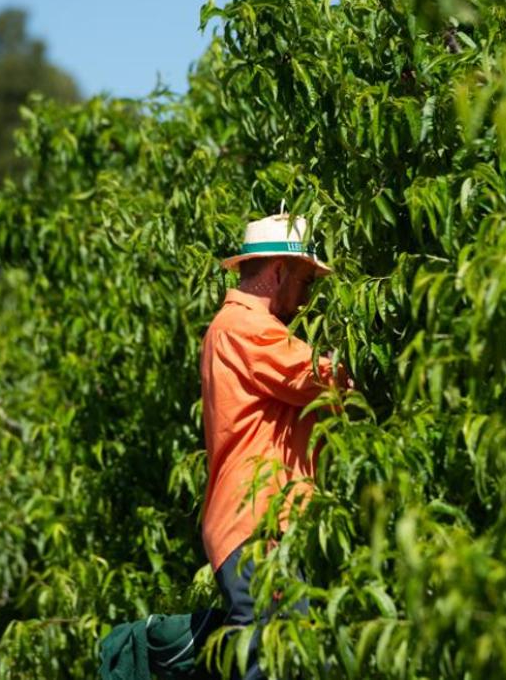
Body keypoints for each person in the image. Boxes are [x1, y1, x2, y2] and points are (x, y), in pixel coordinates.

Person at [202, 213, 348, 680]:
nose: (306, 298)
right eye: (305, 281)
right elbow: (323, 379)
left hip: (262, 524)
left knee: (286, 653)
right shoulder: (244, 328)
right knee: (278, 655)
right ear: (279, 272)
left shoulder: (238, 330)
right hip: (257, 524)